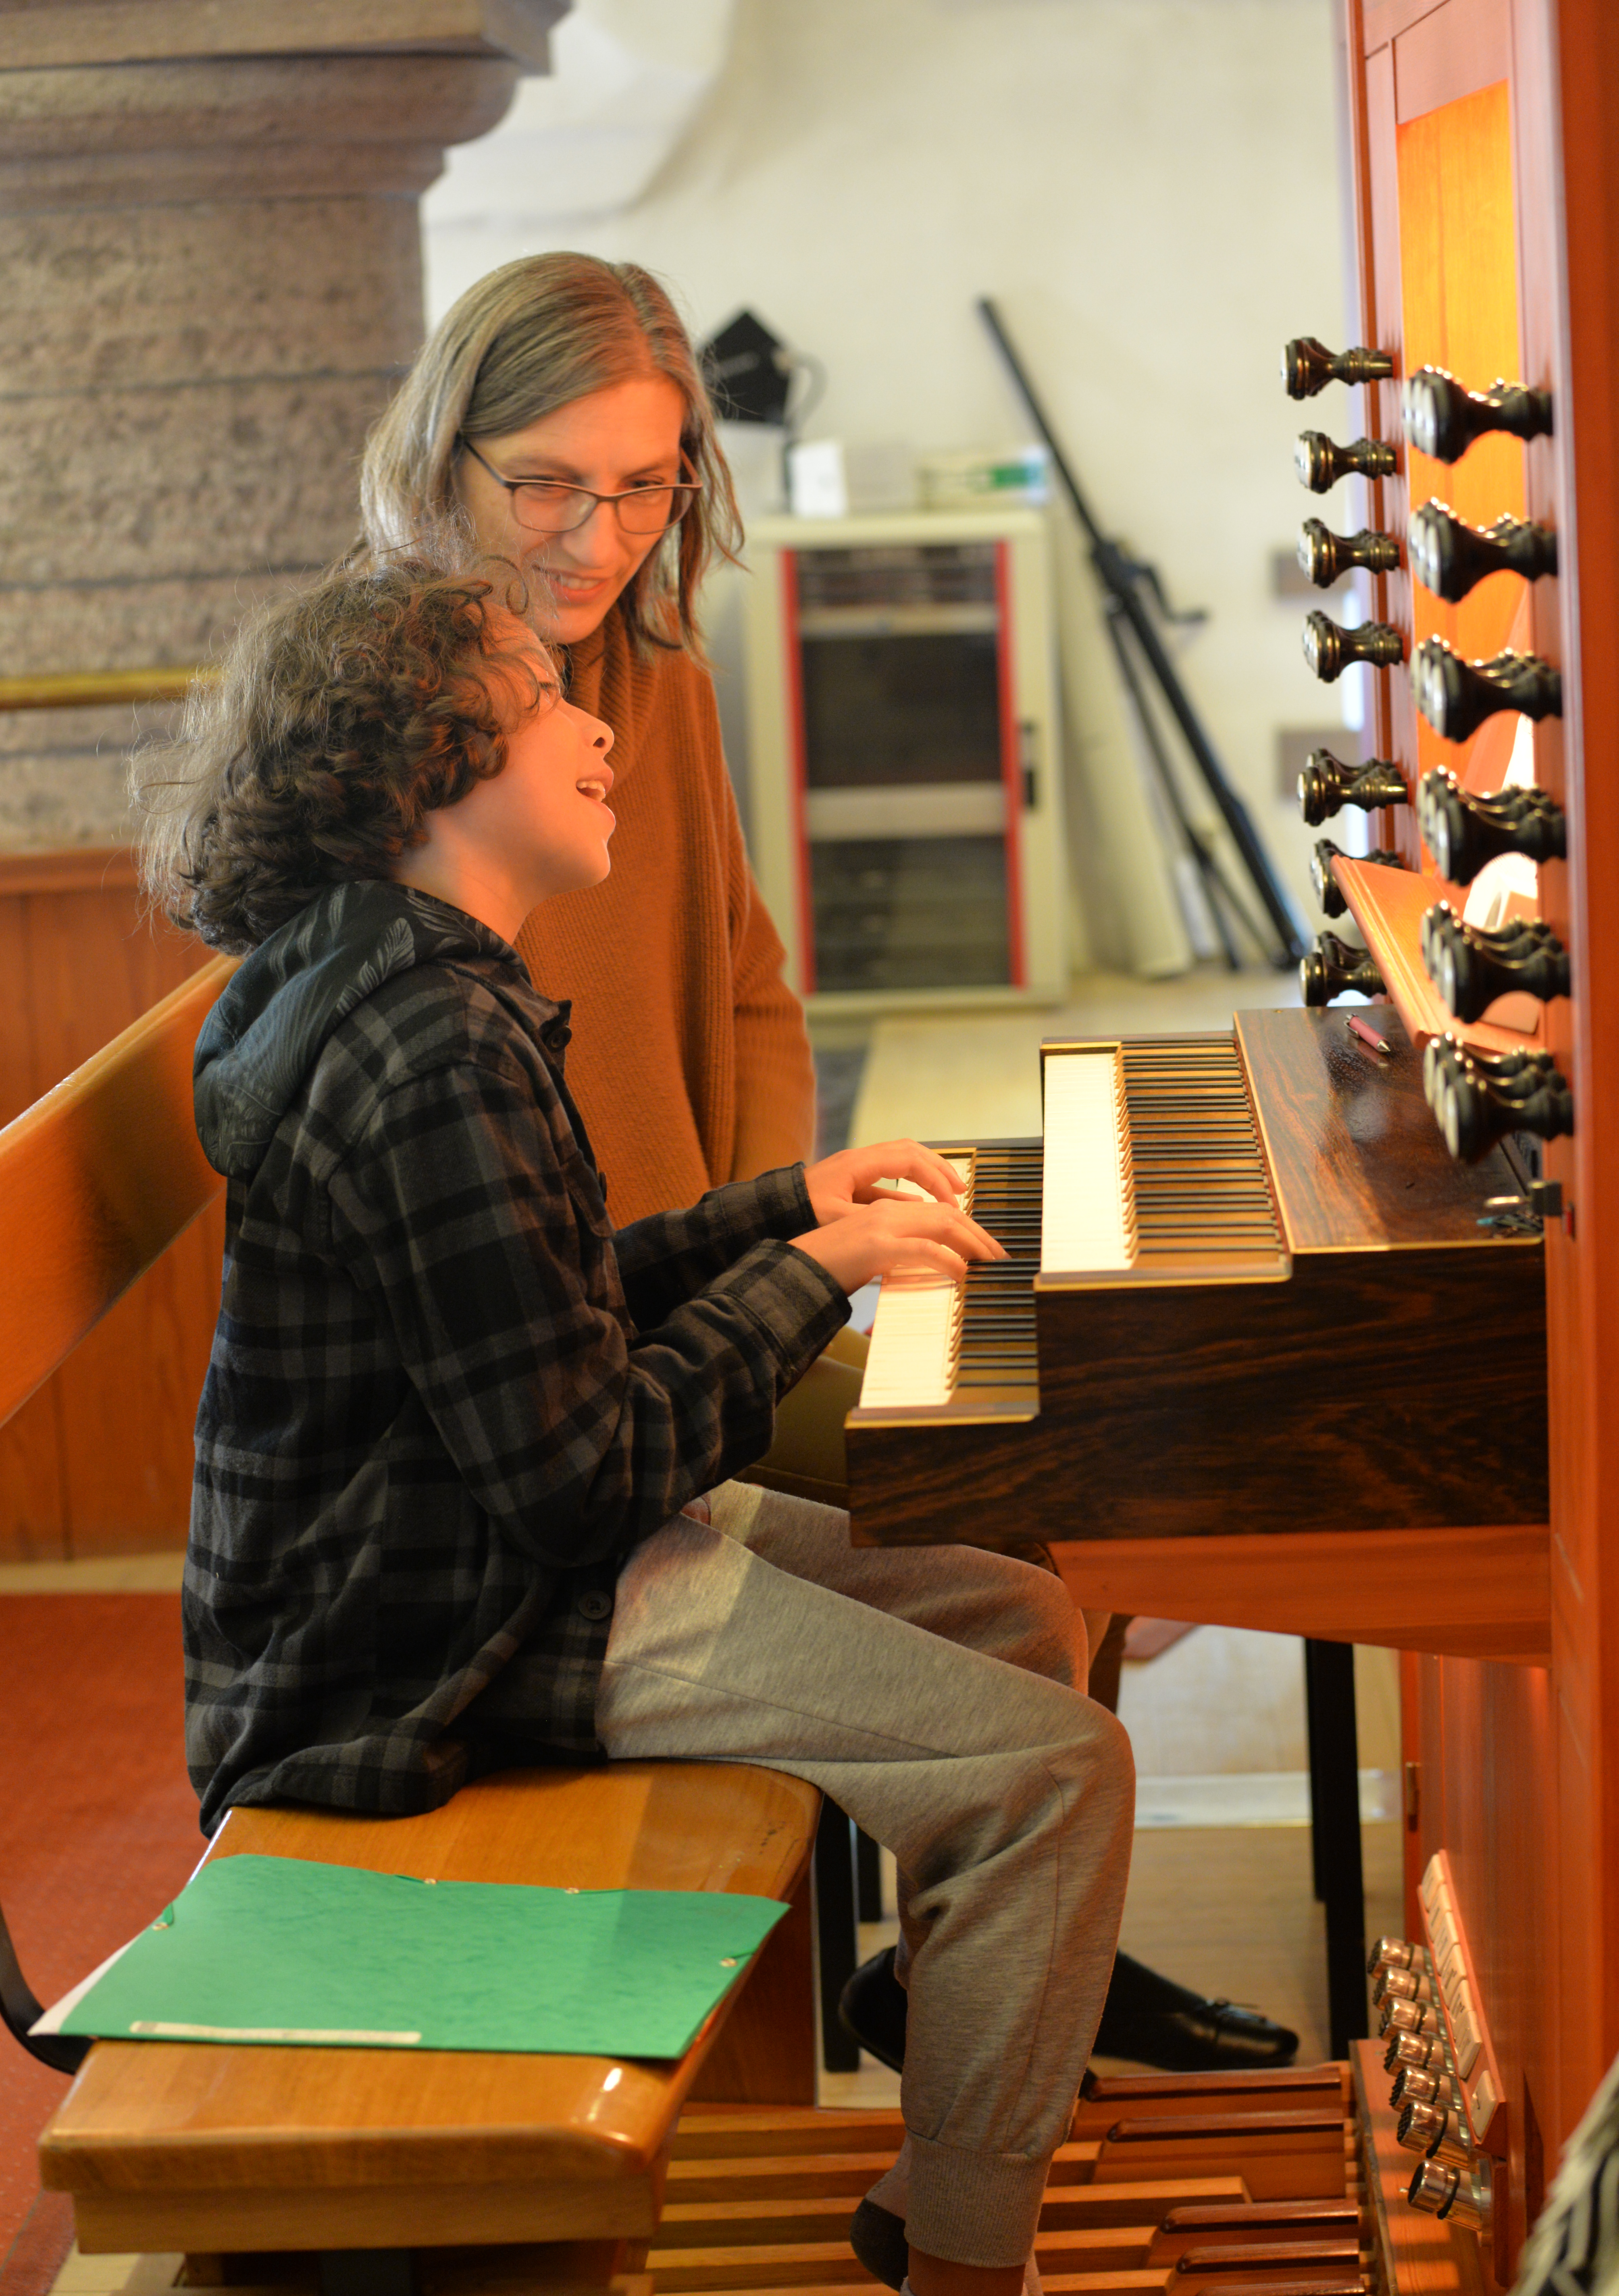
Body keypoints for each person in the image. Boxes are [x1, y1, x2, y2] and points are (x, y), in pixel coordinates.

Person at [136, 549, 1136, 2296]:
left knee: (1007, 1610)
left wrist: (782, 1207)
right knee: (1051, 1770)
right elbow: (581, 1481)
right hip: (430, 1637)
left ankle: (945, 2154)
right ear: (431, 767)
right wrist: (813, 1278)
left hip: (456, 1558)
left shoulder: (402, 978)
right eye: (543, 702)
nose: (597, 729)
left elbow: (541, 1299)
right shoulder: (429, 1040)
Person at [358, 251, 1295, 2074]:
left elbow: (752, 991)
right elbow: (445, 1214)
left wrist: (783, 1230)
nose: (595, 534)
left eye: (643, 487)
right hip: (538, 1380)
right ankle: (998, 1934)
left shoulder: (648, 675)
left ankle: (990, 1946)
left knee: (1046, 1429)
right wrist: (750, 1296)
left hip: (685, 1291)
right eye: (543, 481)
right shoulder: (387, 724)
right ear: (439, 451)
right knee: (1009, 1485)